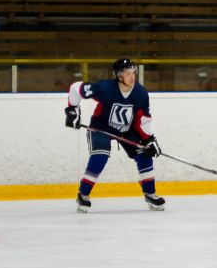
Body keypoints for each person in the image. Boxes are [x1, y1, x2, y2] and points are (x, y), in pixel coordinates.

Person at [64, 58, 165, 213]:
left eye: (133, 73)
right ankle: (83, 194)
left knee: (145, 154)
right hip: (101, 127)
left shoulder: (141, 93)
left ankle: (150, 193)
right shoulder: (105, 88)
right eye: (127, 73)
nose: (132, 77)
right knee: (100, 156)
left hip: (127, 130)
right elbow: (76, 88)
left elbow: (143, 120)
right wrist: (73, 110)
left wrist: (149, 140)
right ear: (119, 76)